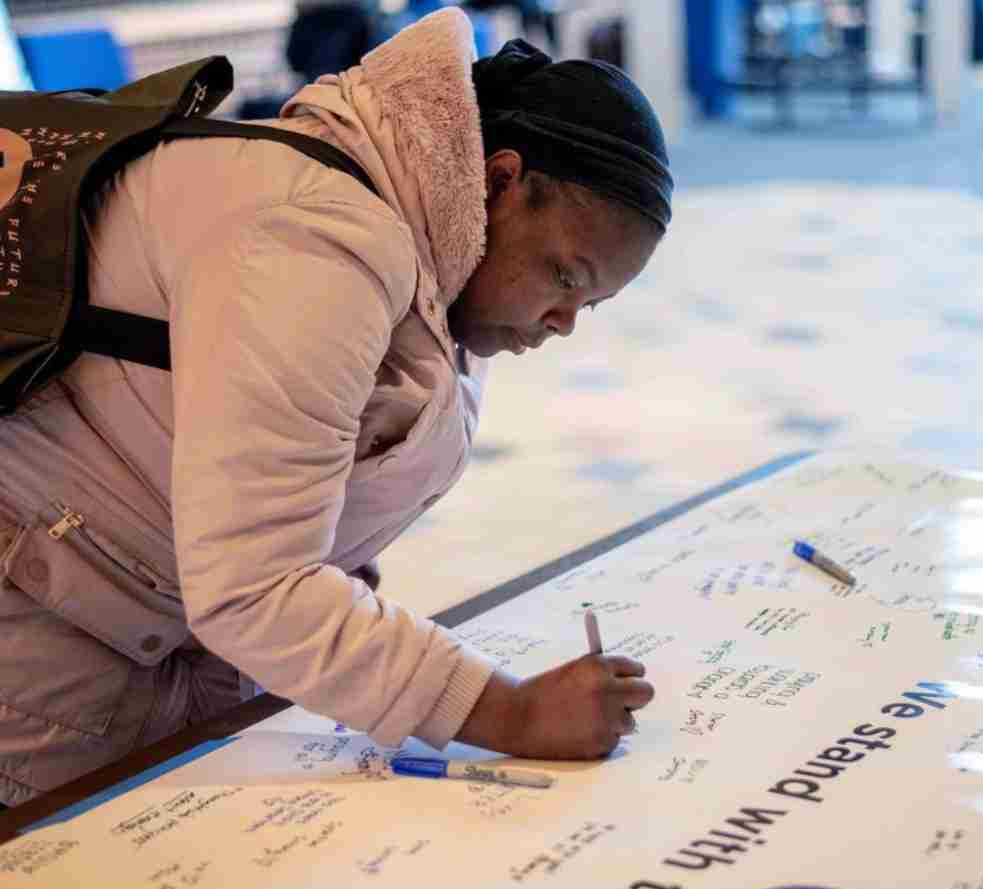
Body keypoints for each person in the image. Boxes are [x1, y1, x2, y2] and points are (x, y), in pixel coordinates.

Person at [0, 7, 671, 806]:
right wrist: (510, 711)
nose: (563, 323)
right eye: (566, 276)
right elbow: (256, 586)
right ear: (498, 179)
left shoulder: (433, 250)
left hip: (137, 617)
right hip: (41, 636)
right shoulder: (313, 239)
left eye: (588, 305)